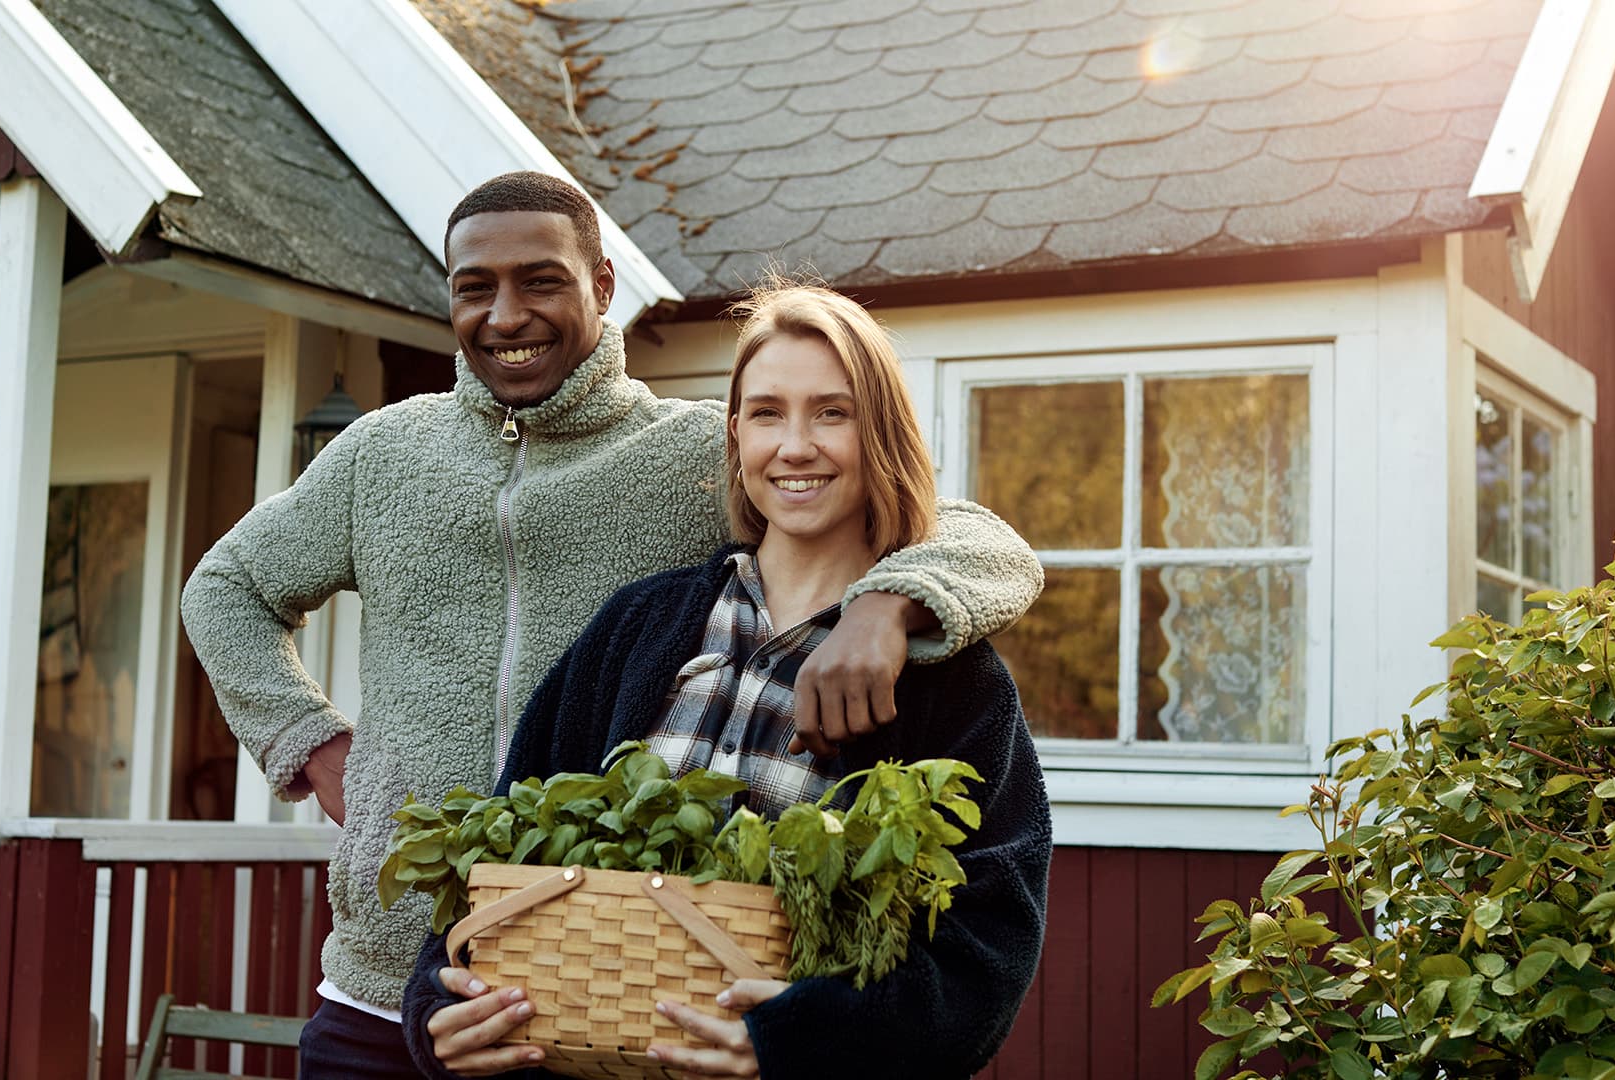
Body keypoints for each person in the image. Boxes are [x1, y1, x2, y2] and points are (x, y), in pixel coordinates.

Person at [180, 173, 1043, 1074]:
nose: (506, 315)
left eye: (540, 281)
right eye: (475, 287)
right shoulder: (381, 454)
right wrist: (315, 748)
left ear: (601, 286)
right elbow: (225, 587)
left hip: (607, 1008)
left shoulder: (691, 449)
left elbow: (972, 535)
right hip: (405, 979)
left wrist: (887, 608)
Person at [403, 282, 1052, 1079]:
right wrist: (437, 1006)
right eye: (768, 413)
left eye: (833, 413)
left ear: (880, 432)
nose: (796, 446)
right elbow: (503, 838)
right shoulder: (639, 625)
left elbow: (987, 954)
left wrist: (796, 1042)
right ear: (738, 433)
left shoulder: (953, 678)